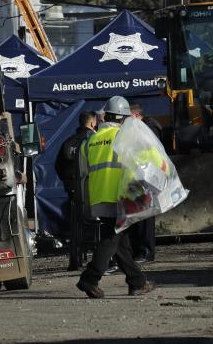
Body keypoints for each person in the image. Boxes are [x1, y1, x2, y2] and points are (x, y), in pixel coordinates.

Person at [76, 95, 155, 299]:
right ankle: (90, 279)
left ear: (106, 115)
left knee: (120, 242)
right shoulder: (125, 136)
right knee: (111, 239)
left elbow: (83, 171)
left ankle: (137, 282)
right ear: (123, 118)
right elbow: (147, 159)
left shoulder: (91, 140)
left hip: (98, 197)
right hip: (119, 197)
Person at [56, 109, 98, 270]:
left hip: (74, 191)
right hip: (94, 191)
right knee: (98, 227)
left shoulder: (68, 142)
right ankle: (103, 261)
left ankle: (75, 262)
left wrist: (70, 183)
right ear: (93, 123)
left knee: (76, 227)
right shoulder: (96, 141)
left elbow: (58, 166)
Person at [127, 102, 158, 263]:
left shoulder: (146, 132)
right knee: (137, 216)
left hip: (145, 179)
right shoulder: (140, 131)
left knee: (145, 218)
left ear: (137, 115)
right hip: (137, 179)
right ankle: (139, 251)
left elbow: (151, 156)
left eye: (129, 117)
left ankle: (146, 252)